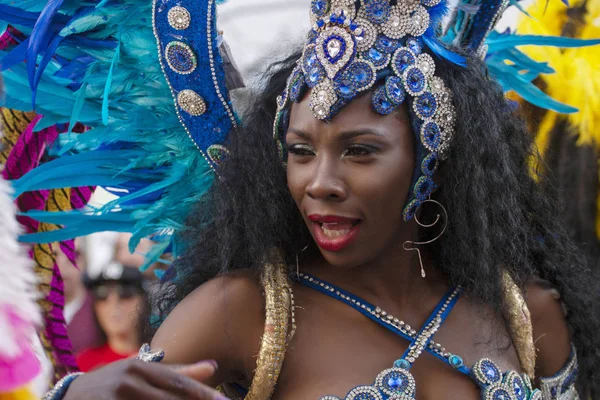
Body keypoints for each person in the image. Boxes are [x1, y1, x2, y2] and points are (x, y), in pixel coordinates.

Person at [2, 1, 600, 400]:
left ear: (431, 157)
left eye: (360, 151)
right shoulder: (245, 312)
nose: (321, 182)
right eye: (301, 151)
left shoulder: (529, 314)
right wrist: (75, 395)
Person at [76, 263, 148, 372]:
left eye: (126, 293)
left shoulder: (161, 356)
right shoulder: (82, 363)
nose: (113, 303)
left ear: (143, 301)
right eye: (102, 294)